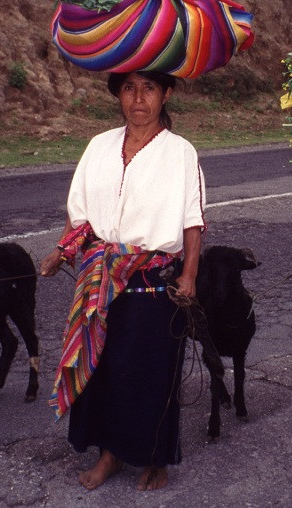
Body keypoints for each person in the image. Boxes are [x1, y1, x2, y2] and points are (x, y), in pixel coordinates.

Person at [38, 70, 205, 491]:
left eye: (149, 88)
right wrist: (61, 251)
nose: (138, 98)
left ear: (166, 94)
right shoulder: (99, 147)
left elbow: (192, 220)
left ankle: (154, 459)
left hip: (152, 279)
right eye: (129, 88)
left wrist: (189, 274)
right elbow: (79, 215)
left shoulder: (180, 152)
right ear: (118, 94)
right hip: (100, 280)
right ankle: (109, 455)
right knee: (105, 368)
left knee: (150, 370)